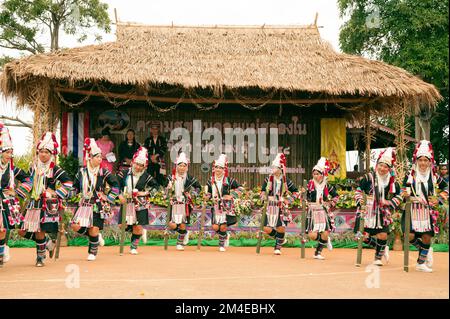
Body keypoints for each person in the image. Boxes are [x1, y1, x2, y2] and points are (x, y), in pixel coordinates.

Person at [17, 132, 73, 267]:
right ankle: (48, 244)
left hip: (46, 205)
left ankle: (40, 258)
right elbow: (28, 182)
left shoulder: (55, 169)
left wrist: (55, 193)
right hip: (33, 203)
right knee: (22, 230)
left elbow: (68, 183)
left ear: (51, 154)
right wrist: (19, 193)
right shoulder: (33, 168)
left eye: (46, 152)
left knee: (39, 230)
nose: (43, 154)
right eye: (41, 151)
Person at [401, 140, 448, 273]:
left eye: (425, 160)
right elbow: (402, 189)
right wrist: (404, 193)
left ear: (429, 162)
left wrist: (438, 199)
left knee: (427, 236)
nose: (422, 163)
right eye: (420, 160)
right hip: (412, 208)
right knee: (408, 236)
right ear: (416, 160)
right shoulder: (410, 176)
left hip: (427, 210)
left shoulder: (434, 176)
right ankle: (425, 250)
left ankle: (421, 263)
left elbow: (446, 187)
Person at [71, 138, 120, 261]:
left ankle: (92, 251)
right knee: (75, 226)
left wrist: (109, 197)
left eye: (100, 157)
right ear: (90, 158)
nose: (100, 159)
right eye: (97, 157)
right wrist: (68, 194)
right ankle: (96, 237)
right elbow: (75, 187)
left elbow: (116, 185)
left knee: (94, 228)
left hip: (98, 204)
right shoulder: (81, 172)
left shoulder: (104, 172)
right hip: (84, 203)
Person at [353, 147, 402, 266]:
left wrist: (389, 203)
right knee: (360, 236)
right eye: (380, 165)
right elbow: (358, 191)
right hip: (366, 211)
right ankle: (380, 247)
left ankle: (378, 258)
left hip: (381, 212)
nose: (382, 168)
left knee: (382, 235)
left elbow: (400, 196)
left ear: (389, 169)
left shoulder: (392, 182)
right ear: (377, 165)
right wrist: (361, 202)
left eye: (386, 167)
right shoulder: (368, 177)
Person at [117, 147, 160, 254]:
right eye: (136, 164)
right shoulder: (123, 173)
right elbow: (115, 185)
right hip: (126, 202)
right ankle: (140, 232)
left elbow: (156, 187)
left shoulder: (146, 176)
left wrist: (145, 193)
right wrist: (119, 195)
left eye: (141, 165)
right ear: (132, 162)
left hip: (139, 203)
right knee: (122, 225)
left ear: (144, 166)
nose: (138, 167)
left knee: (138, 225)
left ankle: (133, 247)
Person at [0, 124, 30, 267]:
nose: (10, 155)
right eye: (7, 152)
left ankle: (2, 251)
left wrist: (16, 192)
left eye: (11, 152)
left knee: (3, 229)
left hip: (5, 202)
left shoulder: (12, 170)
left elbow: (28, 180)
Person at [260, 153, 299, 255]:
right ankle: (280, 239)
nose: (273, 169)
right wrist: (263, 196)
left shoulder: (285, 181)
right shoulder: (267, 179)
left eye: (275, 167)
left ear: (280, 168)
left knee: (280, 227)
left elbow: (296, 192)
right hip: (269, 205)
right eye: (272, 167)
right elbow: (262, 191)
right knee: (265, 228)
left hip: (280, 205)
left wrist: (289, 200)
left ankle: (277, 247)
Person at [204, 154, 244, 252]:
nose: (218, 170)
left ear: (224, 169)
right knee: (215, 226)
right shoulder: (210, 181)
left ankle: (221, 245)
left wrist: (232, 195)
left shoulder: (229, 180)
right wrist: (206, 197)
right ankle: (225, 235)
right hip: (215, 206)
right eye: (216, 167)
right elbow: (208, 193)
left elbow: (241, 189)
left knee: (222, 226)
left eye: (220, 168)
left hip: (226, 206)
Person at [164, 152, 201, 251]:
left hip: (185, 204)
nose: (182, 168)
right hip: (173, 203)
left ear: (187, 167)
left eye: (184, 166)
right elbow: (165, 191)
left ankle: (179, 244)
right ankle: (184, 233)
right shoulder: (170, 177)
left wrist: (192, 194)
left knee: (182, 224)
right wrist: (168, 189)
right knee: (172, 224)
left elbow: (198, 188)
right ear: (177, 166)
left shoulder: (190, 178)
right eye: (180, 166)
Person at [306, 157, 339, 260]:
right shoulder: (309, 185)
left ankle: (318, 252)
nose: (315, 176)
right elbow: (304, 196)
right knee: (312, 235)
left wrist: (329, 204)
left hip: (323, 211)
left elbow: (336, 196)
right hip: (312, 211)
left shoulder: (327, 186)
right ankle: (324, 240)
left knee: (325, 232)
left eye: (317, 174)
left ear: (322, 174)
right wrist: (305, 201)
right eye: (314, 174)